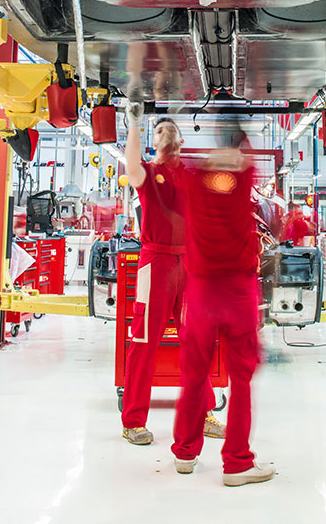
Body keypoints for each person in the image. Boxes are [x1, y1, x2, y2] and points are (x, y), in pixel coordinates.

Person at [171, 125, 274, 486]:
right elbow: (243, 157)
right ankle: (237, 464)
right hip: (239, 292)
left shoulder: (193, 178)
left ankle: (185, 453)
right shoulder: (244, 177)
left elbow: (175, 162)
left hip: (200, 293)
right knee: (241, 380)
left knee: (194, 375)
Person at [120, 105, 225, 446]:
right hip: (157, 265)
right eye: (159, 131)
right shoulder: (148, 174)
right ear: (154, 143)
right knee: (143, 343)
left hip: (190, 265)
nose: (166, 134)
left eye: (170, 130)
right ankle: (133, 421)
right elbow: (131, 166)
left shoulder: (193, 177)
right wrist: (134, 123)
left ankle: (204, 413)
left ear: (181, 139)